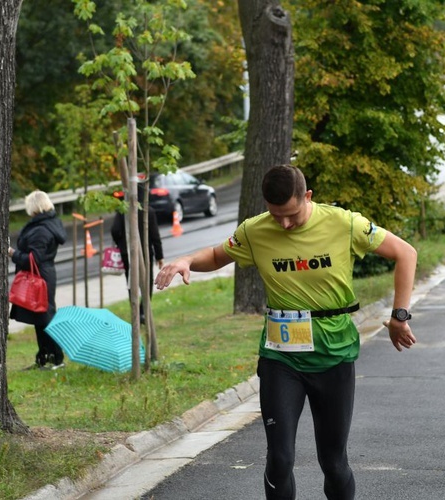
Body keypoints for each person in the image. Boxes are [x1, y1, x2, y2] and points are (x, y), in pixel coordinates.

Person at [154, 164, 417, 499]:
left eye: (292, 214)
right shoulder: (255, 230)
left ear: (307, 196)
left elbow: (405, 253)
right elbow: (218, 255)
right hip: (281, 357)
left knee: (333, 462)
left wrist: (399, 316)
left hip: (333, 354)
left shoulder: (345, 223)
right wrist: (188, 260)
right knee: (280, 458)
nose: (284, 224)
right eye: (276, 215)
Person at [8, 190, 67, 369]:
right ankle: (44, 356)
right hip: (45, 274)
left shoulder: (40, 229)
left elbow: (33, 259)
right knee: (40, 317)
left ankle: (56, 358)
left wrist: (12, 253)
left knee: (46, 318)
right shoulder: (50, 223)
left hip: (39, 276)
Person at [110, 187, 164, 323]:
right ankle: (143, 311)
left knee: (131, 282)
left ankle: (135, 311)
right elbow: (155, 236)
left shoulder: (123, 211)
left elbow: (115, 230)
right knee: (147, 282)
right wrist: (159, 256)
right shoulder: (148, 212)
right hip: (145, 254)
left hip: (126, 253)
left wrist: (121, 243)